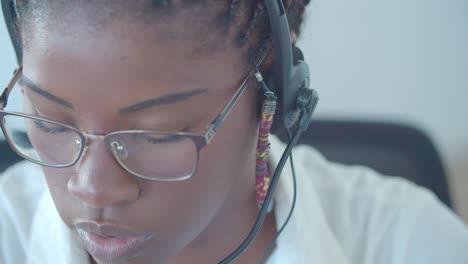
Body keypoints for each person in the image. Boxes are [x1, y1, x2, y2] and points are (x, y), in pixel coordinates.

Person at [1, 1, 467, 263]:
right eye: (49, 122)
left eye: (157, 134)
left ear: (274, 94)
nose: (92, 189)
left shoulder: (410, 245)